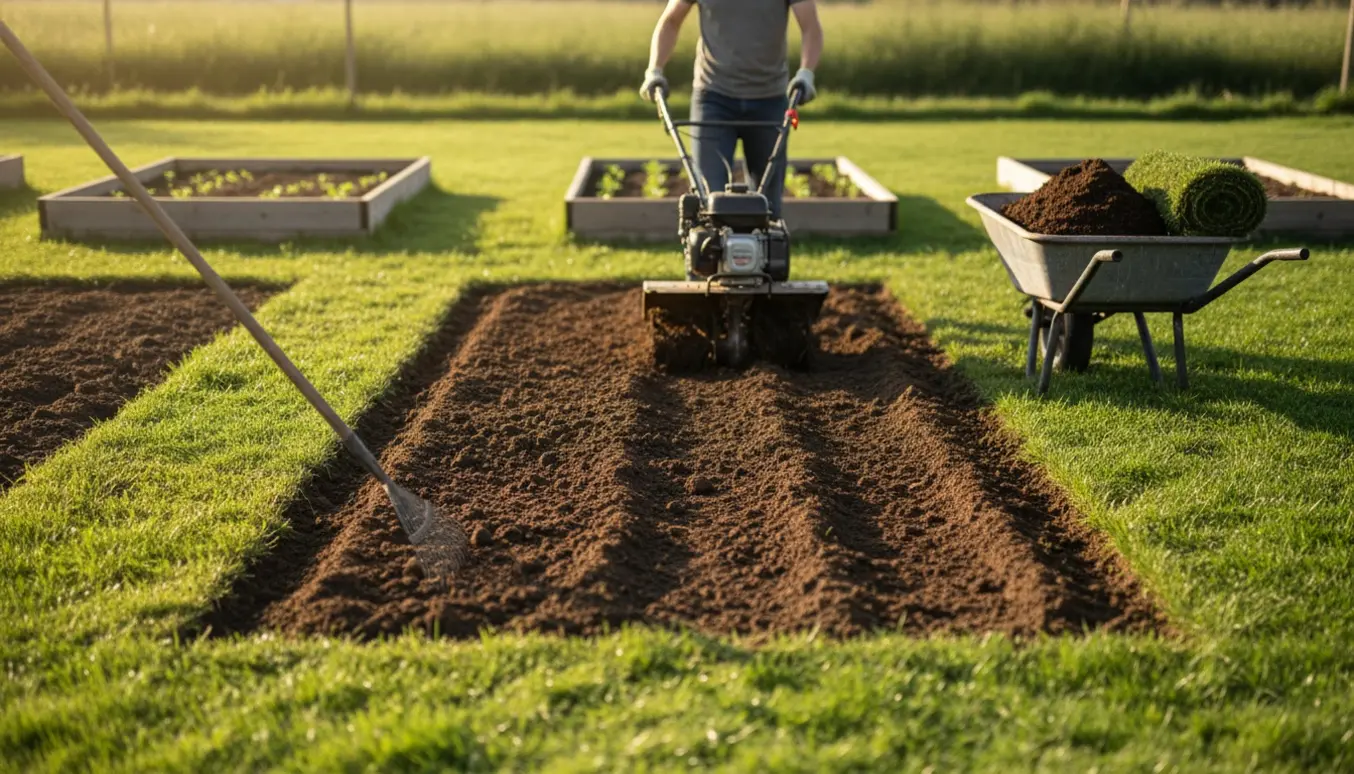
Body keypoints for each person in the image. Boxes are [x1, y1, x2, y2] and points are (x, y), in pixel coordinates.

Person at [640, 0, 823, 221]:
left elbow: (810, 26)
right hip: (713, 98)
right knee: (709, 202)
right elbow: (671, 20)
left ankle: (762, 254)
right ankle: (710, 254)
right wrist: (654, 69)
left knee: (768, 207)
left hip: (770, 101)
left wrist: (806, 73)